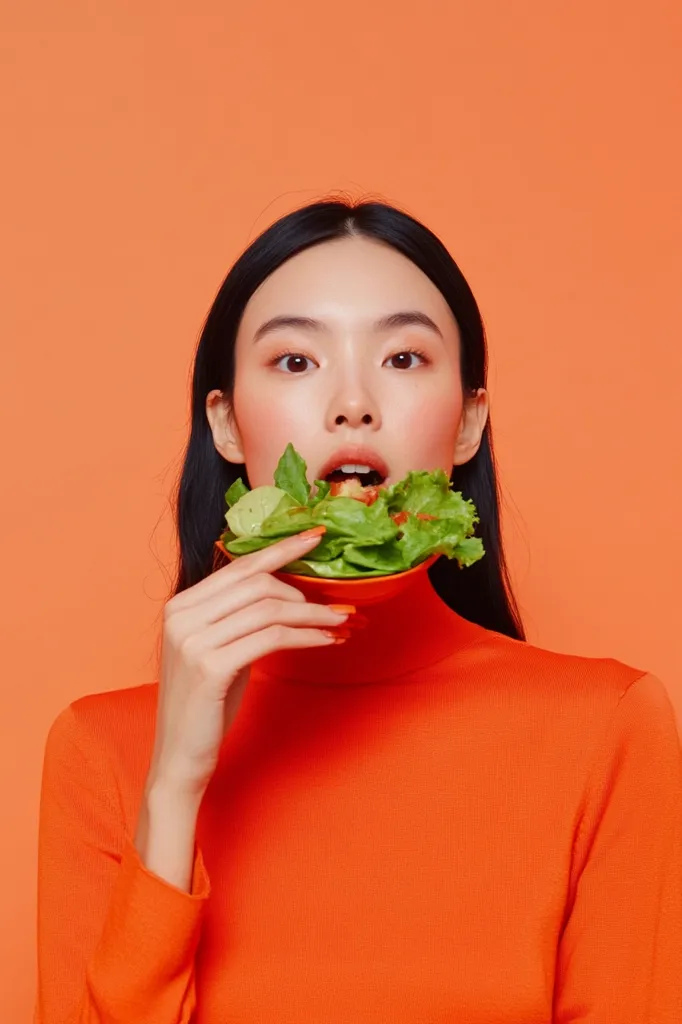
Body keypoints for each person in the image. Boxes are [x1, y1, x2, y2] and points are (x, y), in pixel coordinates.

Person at [35, 198, 682, 1024]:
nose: (352, 403)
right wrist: (173, 789)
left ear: (469, 424)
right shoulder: (101, 753)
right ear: (226, 424)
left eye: (405, 357)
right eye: (296, 362)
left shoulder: (607, 729)